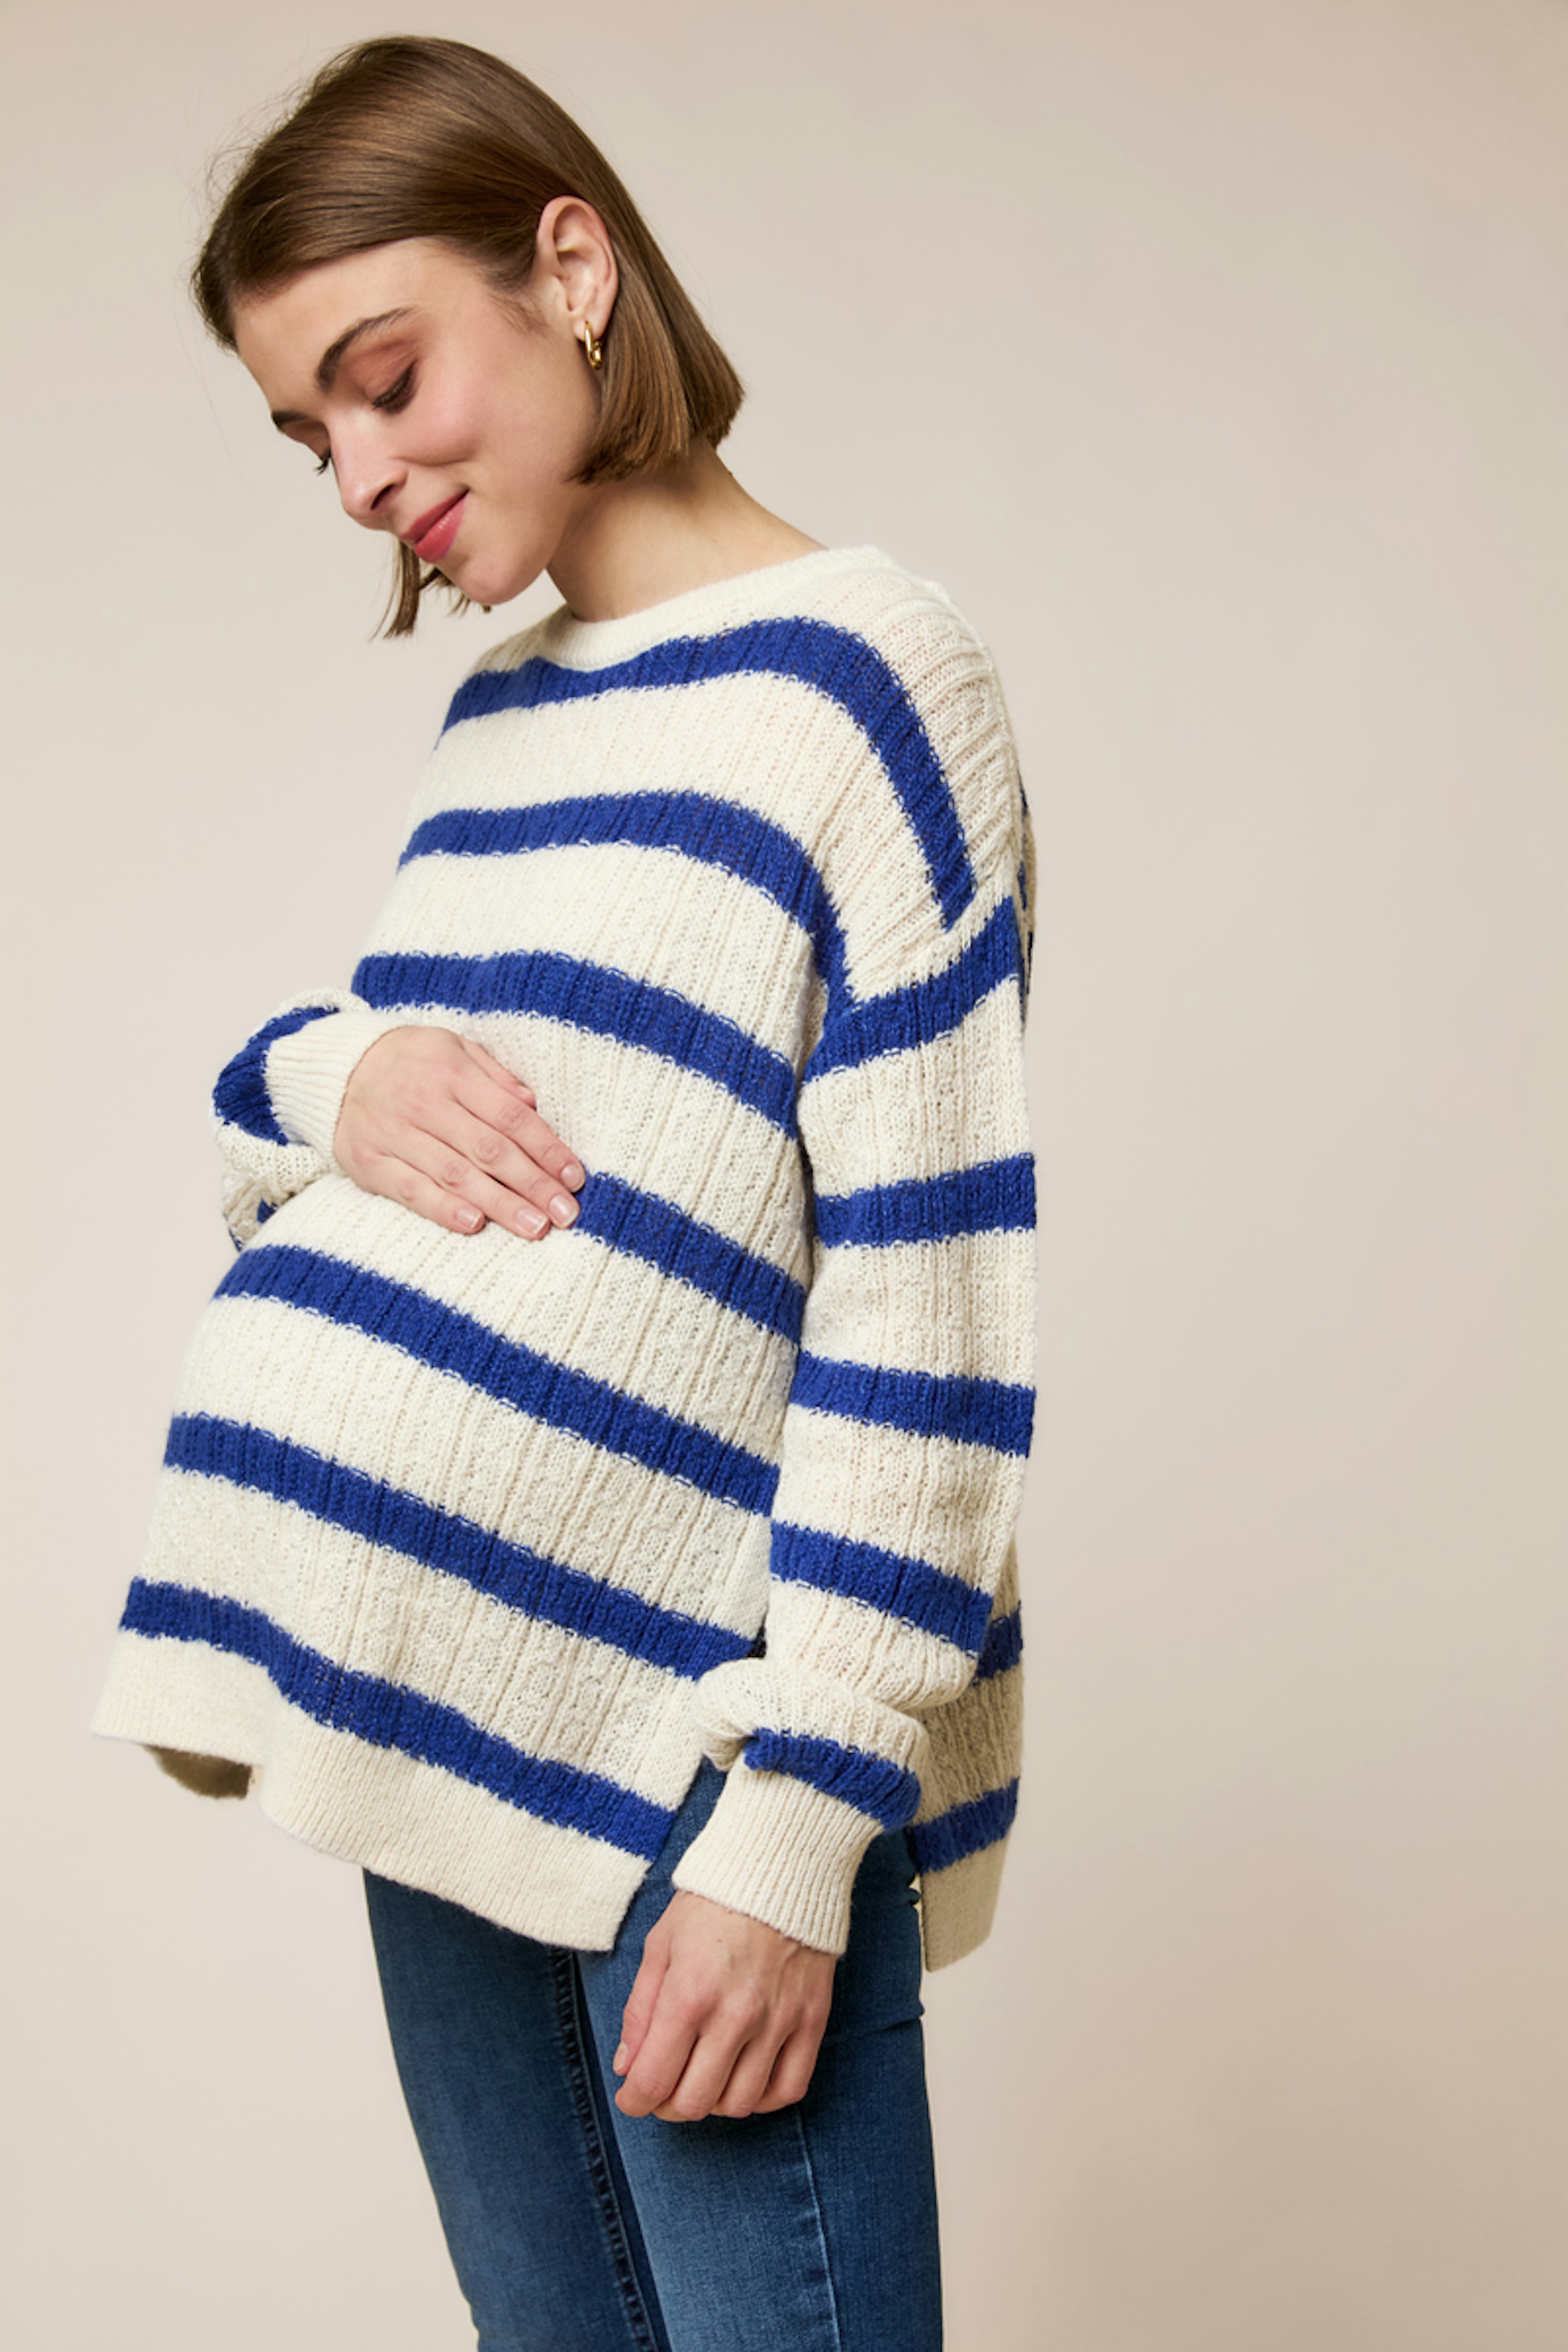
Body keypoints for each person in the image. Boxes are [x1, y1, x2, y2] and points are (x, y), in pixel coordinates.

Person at [92, 35, 1036, 2352]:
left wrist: (798, 1823)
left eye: (382, 378)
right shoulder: (503, 723)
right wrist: (338, 1072)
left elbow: (924, 1313)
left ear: (573, 265)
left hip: (702, 1769)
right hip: (432, 1722)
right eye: (306, 435)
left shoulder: (871, 686)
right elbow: (337, 1137)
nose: (355, 476)